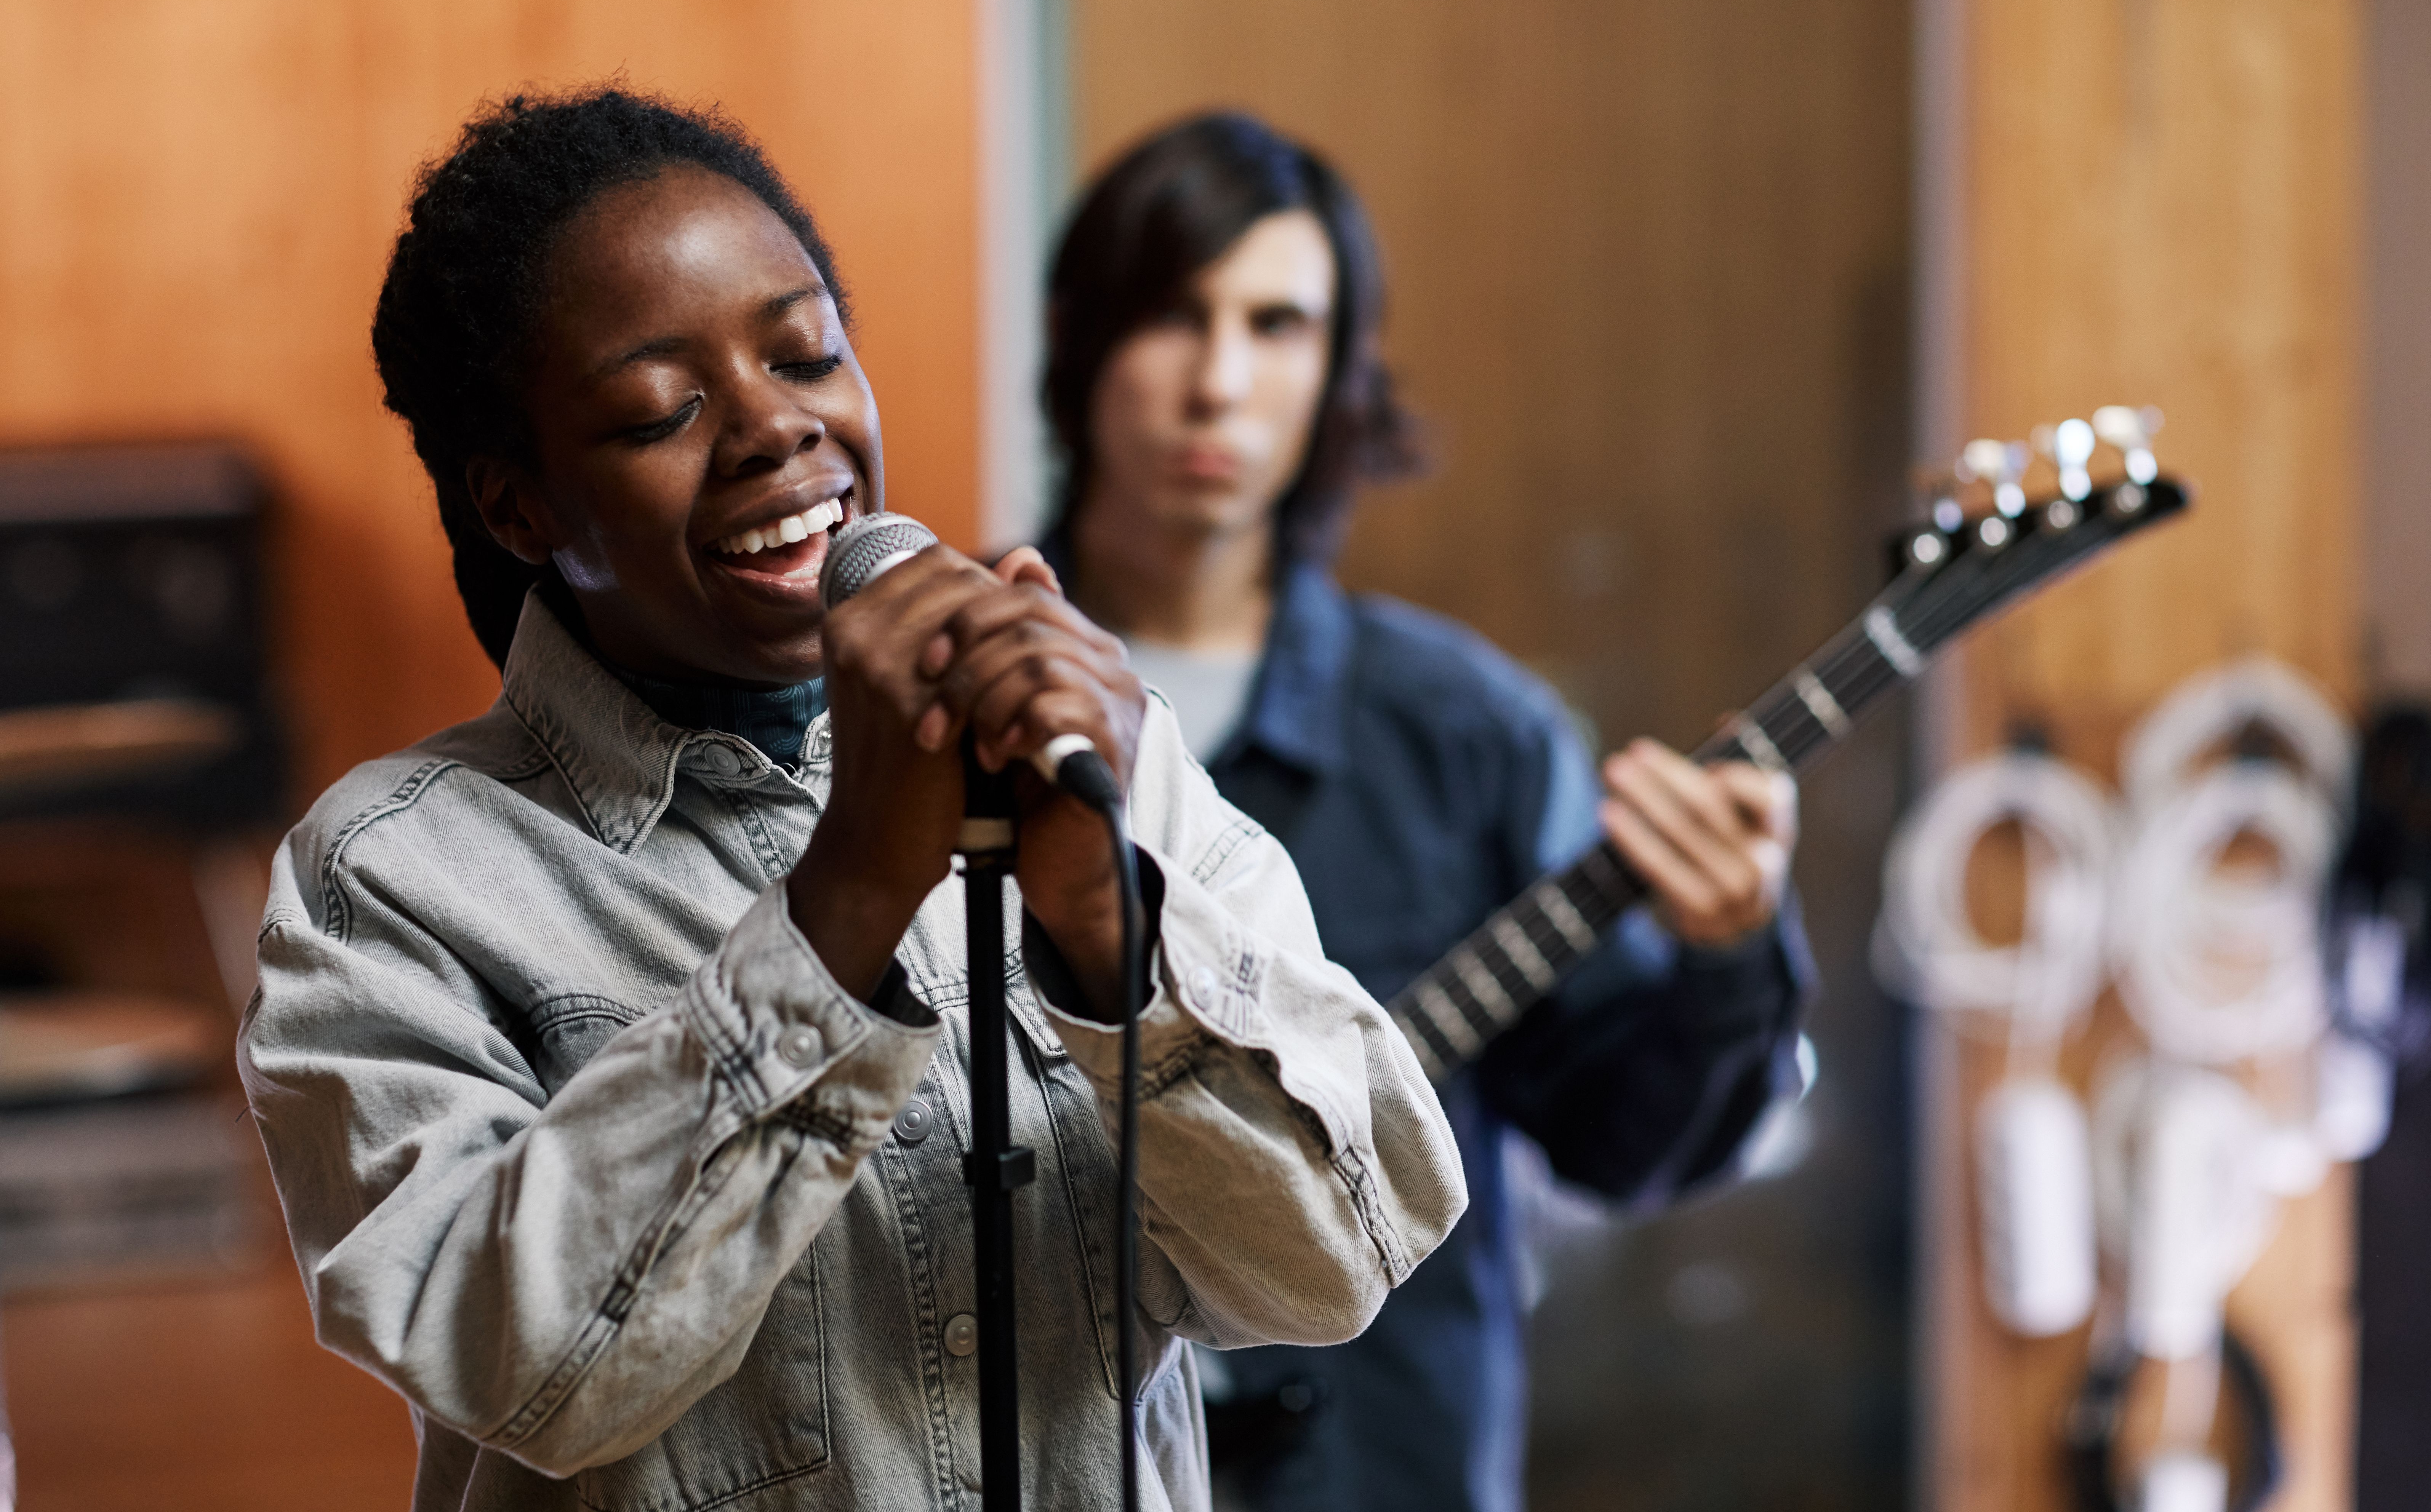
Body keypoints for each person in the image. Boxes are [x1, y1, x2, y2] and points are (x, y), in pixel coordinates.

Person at [237, 88, 1465, 1512]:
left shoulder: (1100, 751)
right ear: (521, 508)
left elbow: (1331, 1273)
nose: (773, 427)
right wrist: (850, 896)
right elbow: (528, 1371)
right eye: (660, 410)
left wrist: (1103, 927)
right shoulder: (392, 879)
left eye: (808, 353)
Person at [1038, 113, 1815, 1512]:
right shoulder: (922, 698)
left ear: (1338, 372)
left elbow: (1624, 1140)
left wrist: (1730, 953)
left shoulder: (1471, 735)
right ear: (1080, 340)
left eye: (1277, 325)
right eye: (1172, 316)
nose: (1219, 382)